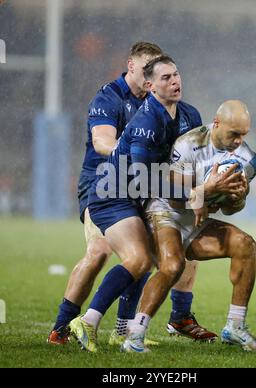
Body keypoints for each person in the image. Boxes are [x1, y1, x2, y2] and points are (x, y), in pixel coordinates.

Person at [69, 55, 219, 352]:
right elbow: (141, 180)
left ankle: (124, 329)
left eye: (176, 74)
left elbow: (196, 163)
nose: (175, 81)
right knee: (139, 259)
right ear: (150, 87)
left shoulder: (189, 115)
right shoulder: (145, 121)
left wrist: (218, 181)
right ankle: (85, 321)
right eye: (166, 78)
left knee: (152, 257)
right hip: (112, 194)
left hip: (142, 195)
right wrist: (195, 193)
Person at [123, 100, 256, 352]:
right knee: (173, 265)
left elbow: (230, 209)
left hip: (196, 221)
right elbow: (176, 200)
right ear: (217, 123)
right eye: (234, 133)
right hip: (166, 212)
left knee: (246, 245)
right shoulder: (188, 144)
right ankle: (135, 335)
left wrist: (238, 197)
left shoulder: (248, 160)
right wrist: (208, 189)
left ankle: (235, 326)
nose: (238, 141)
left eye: (243, 135)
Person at [48, 42, 164, 346]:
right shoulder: (108, 97)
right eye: (146, 68)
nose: (151, 75)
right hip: (100, 184)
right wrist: (135, 154)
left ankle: (122, 332)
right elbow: (102, 141)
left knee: (143, 255)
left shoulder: (153, 101)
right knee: (99, 252)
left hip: (133, 186)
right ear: (131, 64)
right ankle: (61, 327)